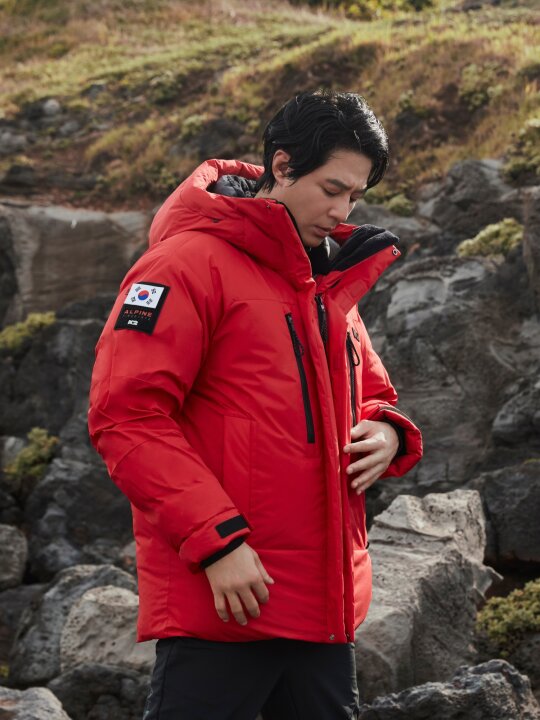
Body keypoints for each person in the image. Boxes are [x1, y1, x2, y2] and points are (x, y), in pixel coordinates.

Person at [88, 89, 423, 720]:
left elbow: (372, 392)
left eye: (355, 196)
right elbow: (126, 417)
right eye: (331, 189)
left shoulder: (323, 281)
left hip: (323, 612)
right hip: (227, 602)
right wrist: (217, 544)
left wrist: (386, 432)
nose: (342, 210)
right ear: (282, 166)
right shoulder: (182, 265)